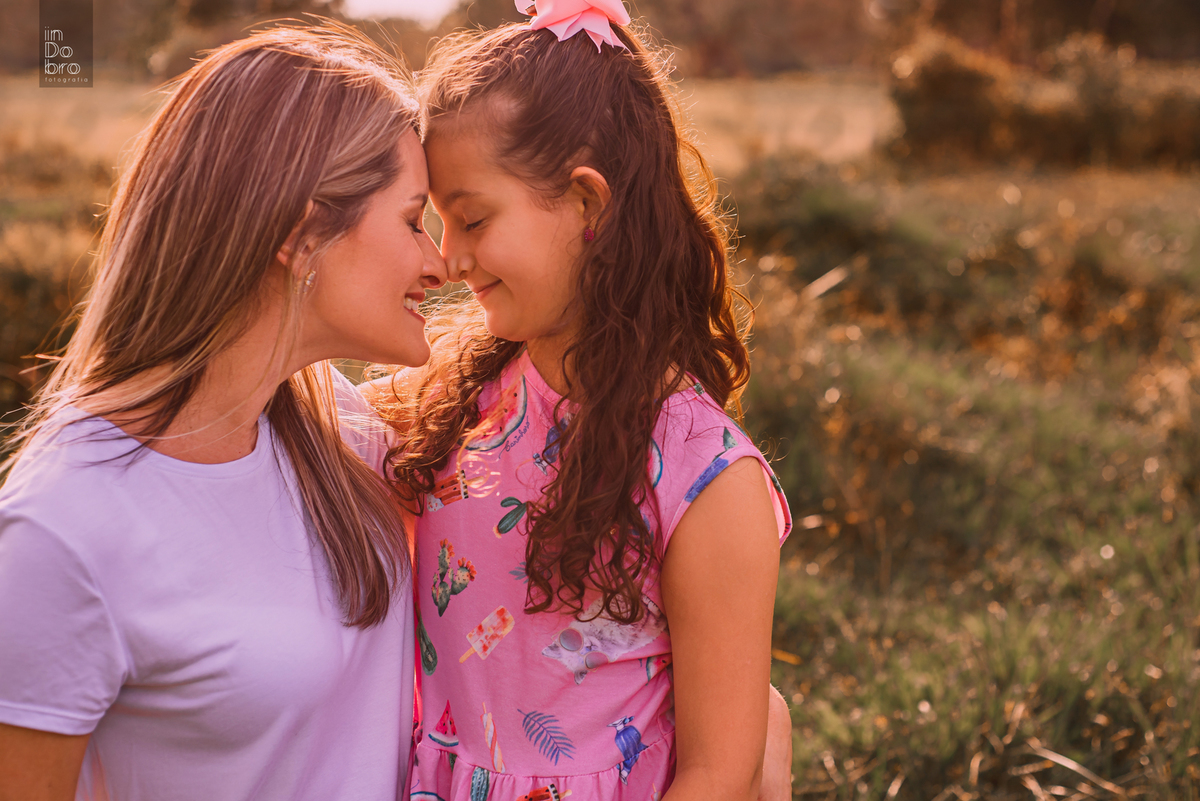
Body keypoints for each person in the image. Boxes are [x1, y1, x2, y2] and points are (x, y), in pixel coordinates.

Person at [0, 24, 447, 800]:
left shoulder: (337, 429)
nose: (438, 262)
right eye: (413, 220)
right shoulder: (62, 528)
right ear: (303, 234)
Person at [380, 3, 794, 798]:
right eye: (435, 223)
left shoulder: (705, 478)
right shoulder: (457, 402)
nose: (449, 258)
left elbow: (720, 768)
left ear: (588, 206)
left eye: (470, 218)